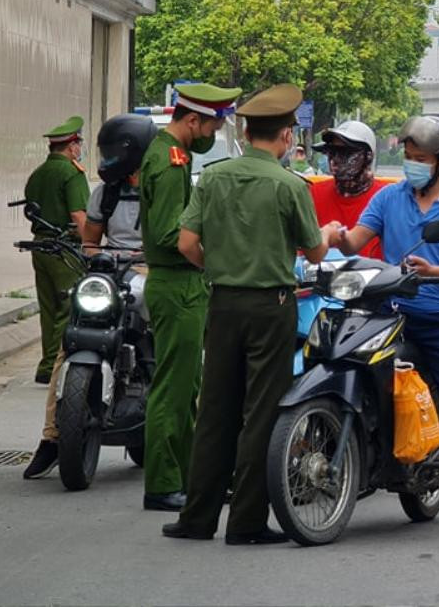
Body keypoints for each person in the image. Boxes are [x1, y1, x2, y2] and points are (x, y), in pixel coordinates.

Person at [163, 84, 340, 545]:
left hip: (221, 303)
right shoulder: (289, 185)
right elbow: (316, 250)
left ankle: (196, 519)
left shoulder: (216, 177)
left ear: (244, 130)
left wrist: (220, 270)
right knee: (260, 413)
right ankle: (245, 522)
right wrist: (329, 233)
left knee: (215, 412)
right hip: (272, 307)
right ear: (285, 137)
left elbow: (186, 244)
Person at [334, 115, 439, 534]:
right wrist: (331, 236)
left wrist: (436, 271)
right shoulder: (391, 198)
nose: (413, 164)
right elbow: (356, 240)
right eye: (409, 157)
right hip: (387, 315)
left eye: (421, 159)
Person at [23, 113, 155, 479]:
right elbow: (90, 239)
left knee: (171, 341)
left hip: (151, 272)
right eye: (106, 151)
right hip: (110, 274)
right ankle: (51, 438)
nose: (109, 158)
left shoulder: (162, 187)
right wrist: (94, 256)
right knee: (69, 342)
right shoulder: (105, 192)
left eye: (117, 152)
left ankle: (179, 430)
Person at [139, 82, 242, 512]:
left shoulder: (172, 155)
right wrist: (210, 255)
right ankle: (162, 483)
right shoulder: (169, 160)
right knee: (173, 388)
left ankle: (184, 477)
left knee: (188, 386)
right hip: (177, 283)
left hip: (182, 285)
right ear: (192, 119)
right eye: (214, 124)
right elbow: (170, 236)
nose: (214, 134)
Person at [24, 115, 90, 383]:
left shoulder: (38, 174)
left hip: (40, 247)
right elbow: (79, 215)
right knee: (69, 304)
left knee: (49, 307)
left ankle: (45, 365)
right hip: (64, 250)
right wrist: (92, 248)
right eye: (79, 144)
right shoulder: (71, 173)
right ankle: (54, 365)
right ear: (72, 146)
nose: (80, 149)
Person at [309, 121, 389, 259]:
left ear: (367, 156)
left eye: (345, 153)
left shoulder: (387, 197)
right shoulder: (313, 193)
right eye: (331, 152)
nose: (334, 160)